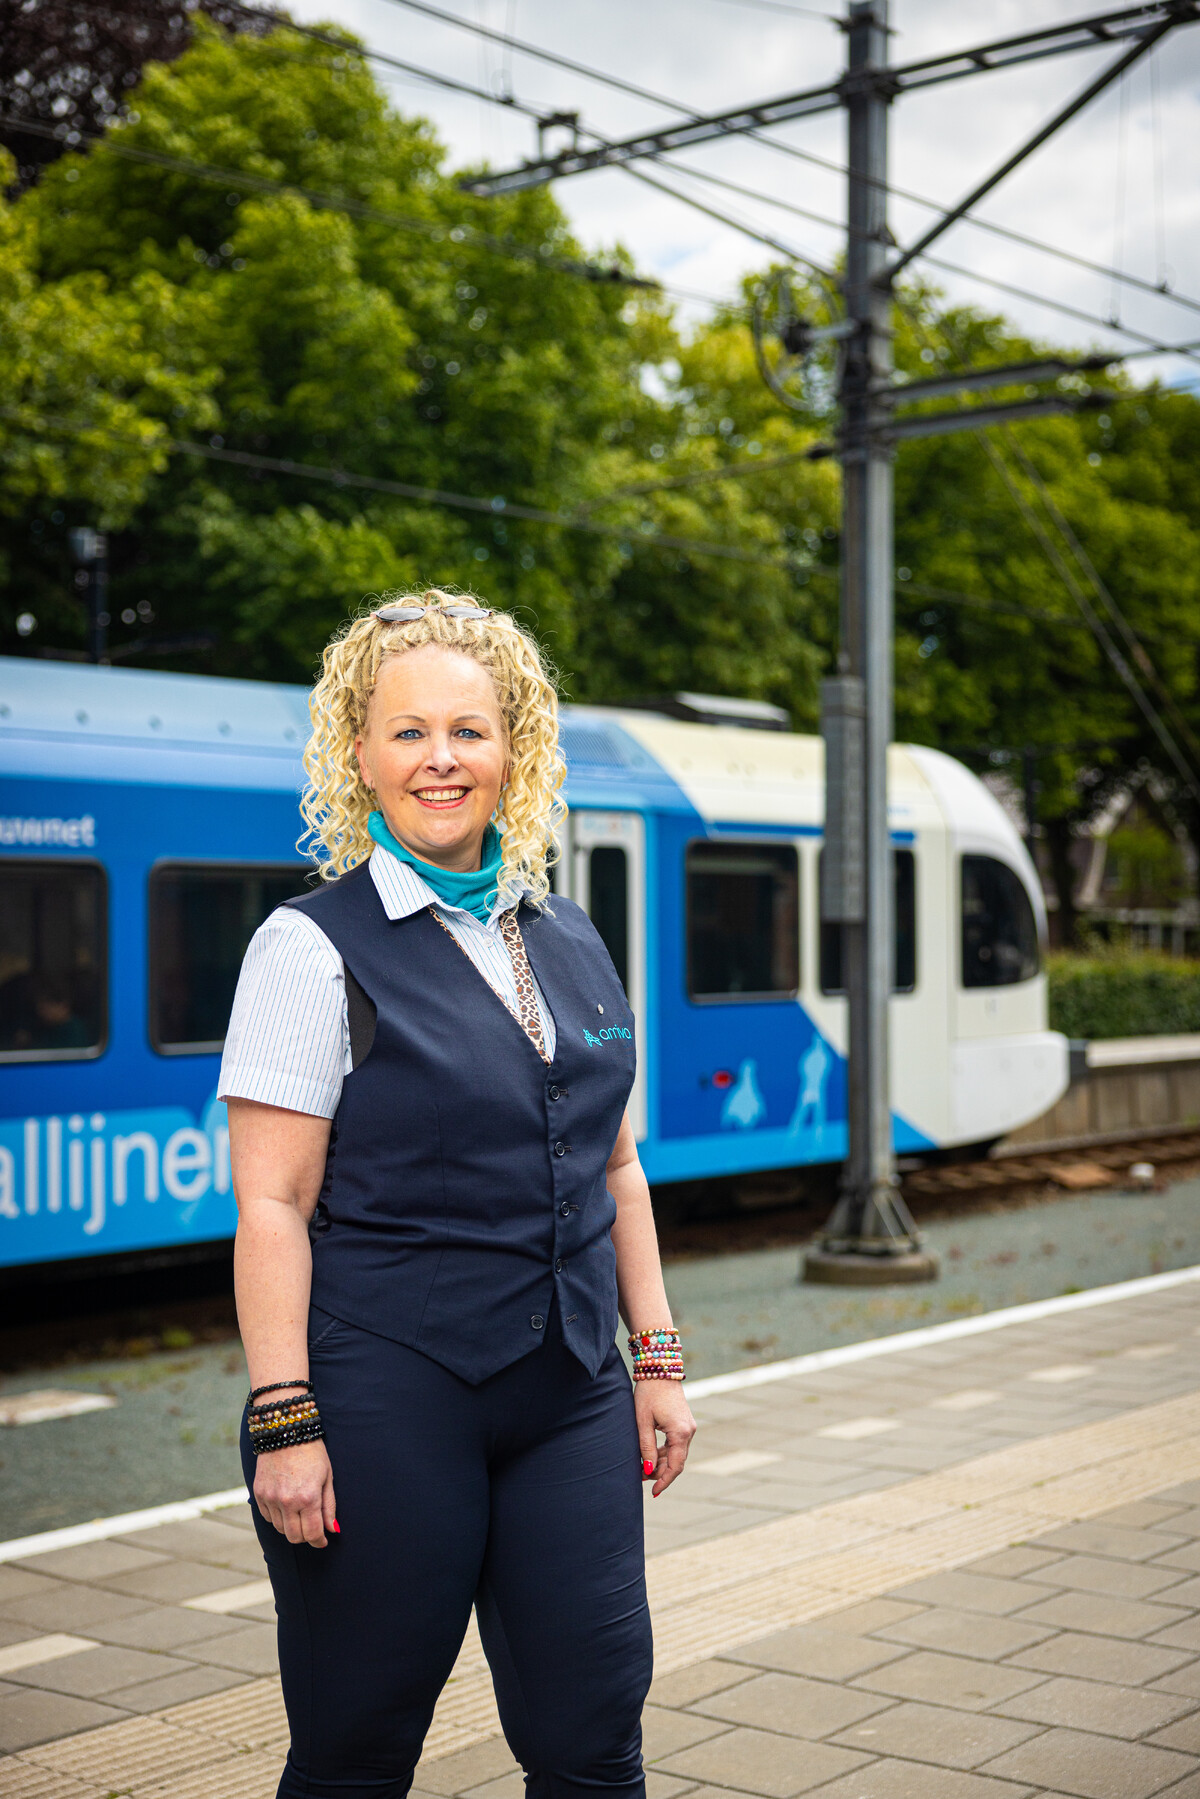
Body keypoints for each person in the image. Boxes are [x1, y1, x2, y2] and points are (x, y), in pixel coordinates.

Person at [220, 590, 695, 1799]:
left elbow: (615, 1164)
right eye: (409, 732)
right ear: (360, 754)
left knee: (596, 1739)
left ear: (513, 749)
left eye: (470, 731)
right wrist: (285, 1417)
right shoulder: (309, 945)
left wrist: (657, 1360)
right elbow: (272, 1202)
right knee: (360, 1745)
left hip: (573, 1392)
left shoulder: (570, 932)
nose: (442, 759)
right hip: (388, 1389)